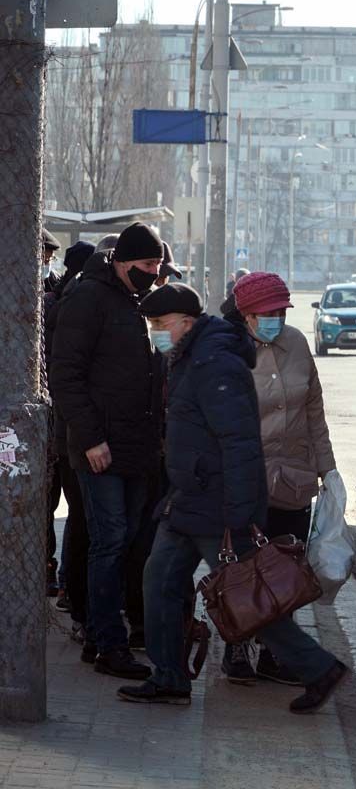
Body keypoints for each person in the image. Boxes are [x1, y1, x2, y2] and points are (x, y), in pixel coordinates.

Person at [119, 283, 347, 711]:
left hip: (217, 505)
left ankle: (319, 668)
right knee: (160, 579)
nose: (155, 332)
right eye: (151, 324)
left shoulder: (214, 363)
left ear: (187, 322)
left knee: (250, 599)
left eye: (161, 324)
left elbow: (241, 441)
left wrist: (241, 514)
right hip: (189, 499)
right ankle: (169, 676)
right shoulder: (189, 356)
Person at [50, 222, 165, 680]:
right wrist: (92, 438)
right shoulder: (88, 299)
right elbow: (66, 377)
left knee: (127, 541)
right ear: (121, 261)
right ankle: (106, 644)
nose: (153, 274)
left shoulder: (135, 301)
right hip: (100, 450)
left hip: (136, 448)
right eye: (146, 265)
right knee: (108, 541)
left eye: (158, 266)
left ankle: (103, 636)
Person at [225, 272, 336, 686]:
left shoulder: (297, 344)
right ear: (246, 315)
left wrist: (328, 469)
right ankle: (237, 648)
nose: (274, 318)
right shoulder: (230, 349)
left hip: (293, 479)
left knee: (287, 573)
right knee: (244, 570)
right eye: (265, 312)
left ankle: (276, 654)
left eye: (280, 311)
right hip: (247, 481)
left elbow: (314, 412)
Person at [45, 240, 96, 612]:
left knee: (69, 513)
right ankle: (62, 584)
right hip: (66, 432)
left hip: (66, 432)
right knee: (72, 514)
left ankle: (60, 581)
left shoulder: (60, 302)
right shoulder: (59, 307)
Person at [40, 229, 62, 595]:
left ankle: (45, 566)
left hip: (50, 408)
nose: (44, 264)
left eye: (46, 258)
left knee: (47, 494)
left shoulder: (59, 292)